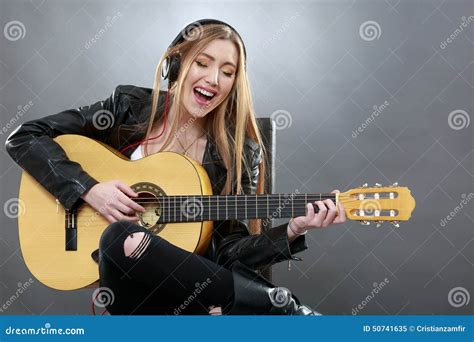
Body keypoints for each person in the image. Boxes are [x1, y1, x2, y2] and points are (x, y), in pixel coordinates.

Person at [5, 19, 346, 315]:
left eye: (227, 72)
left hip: (189, 294)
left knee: (126, 241)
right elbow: (25, 137)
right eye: (203, 63)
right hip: (129, 293)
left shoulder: (240, 153)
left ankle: (220, 310)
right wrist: (89, 189)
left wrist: (292, 230)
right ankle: (275, 306)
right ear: (177, 64)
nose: (213, 79)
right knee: (118, 237)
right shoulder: (127, 107)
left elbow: (229, 255)